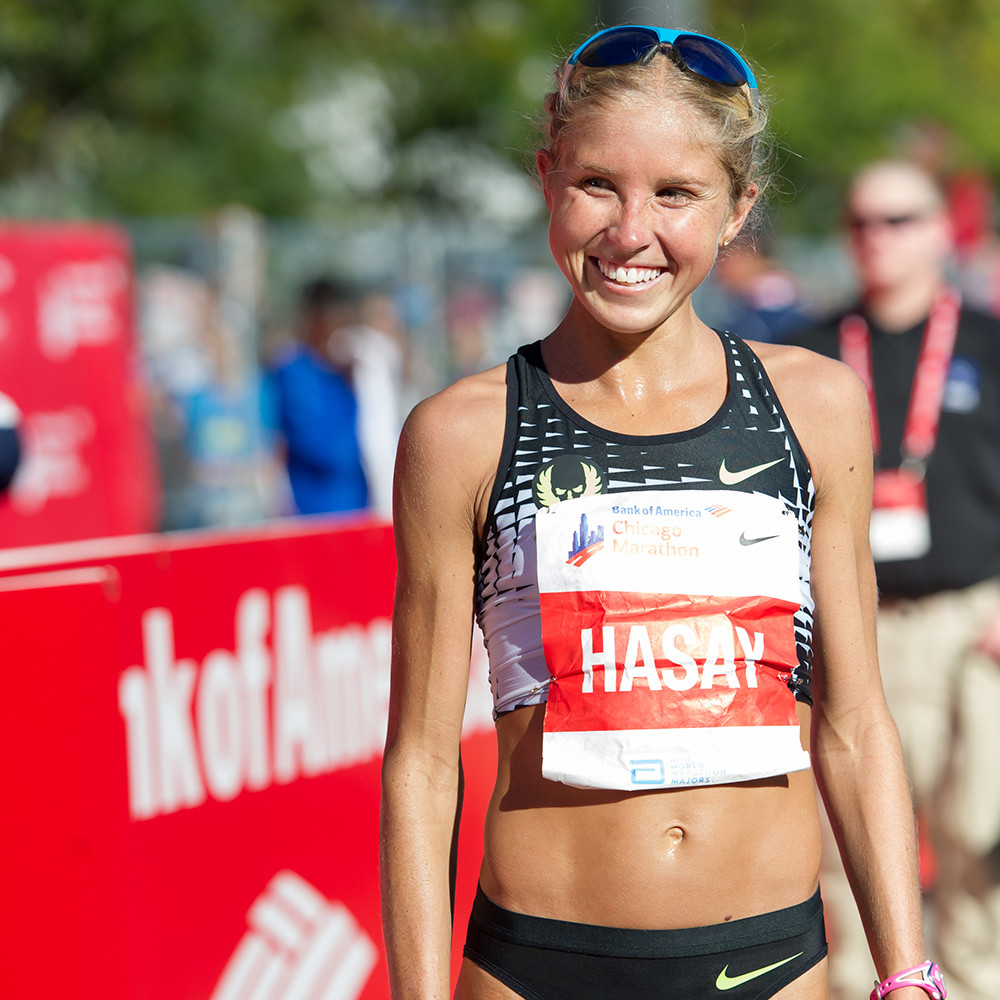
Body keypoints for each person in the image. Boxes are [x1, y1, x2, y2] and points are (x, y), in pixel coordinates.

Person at [381, 26, 941, 1000]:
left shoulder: (815, 406)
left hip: (770, 962)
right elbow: (423, 765)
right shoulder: (460, 433)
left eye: (676, 193)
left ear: (737, 210)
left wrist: (907, 975)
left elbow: (854, 723)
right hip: (536, 965)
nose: (630, 231)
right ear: (547, 179)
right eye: (597, 184)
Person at [794, 159, 1000, 1000]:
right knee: (852, 842)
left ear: (942, 230)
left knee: (978, 839)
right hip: (852, 627)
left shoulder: (988, 342)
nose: (876, 238)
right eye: (861, 222)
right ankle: (861, 988)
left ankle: (979, 985)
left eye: (898, 220)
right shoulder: (811, 351)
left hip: (972, 623)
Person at [264, 277, 369, 516]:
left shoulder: (345, 372)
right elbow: (323, 448)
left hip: (356, 506)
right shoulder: (294, 372)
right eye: (334, 320)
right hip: (314, 511)